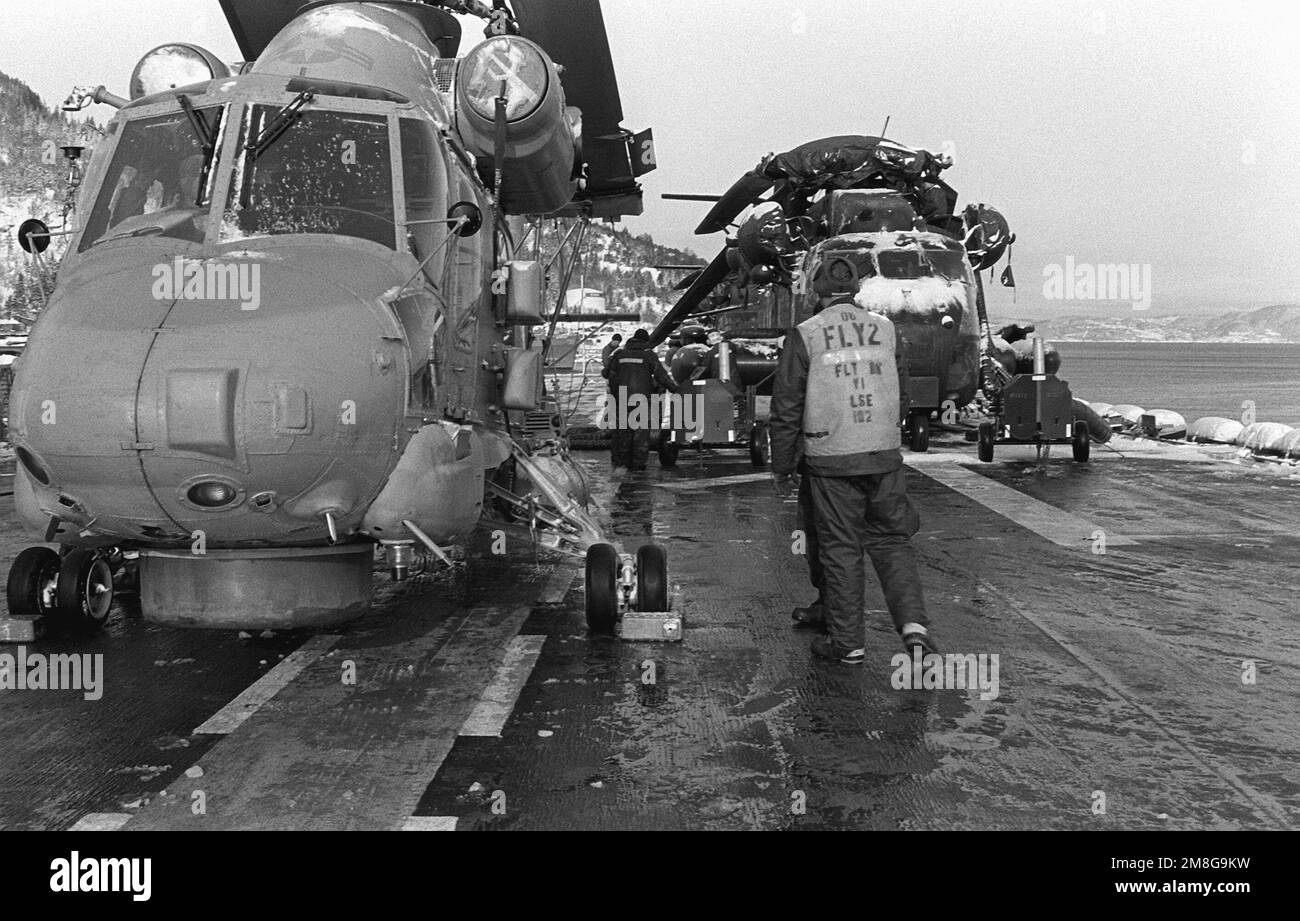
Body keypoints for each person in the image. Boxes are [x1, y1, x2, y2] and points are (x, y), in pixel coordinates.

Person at [770, 292, 937, 665]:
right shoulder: (886, 328)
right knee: (893, 541)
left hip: (832, 462)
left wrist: (782, 464)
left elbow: (786, 406)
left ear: (819, 297)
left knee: (840, 549)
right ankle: (915, 629)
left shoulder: (807, 333)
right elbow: (903, 394)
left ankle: (847, 644)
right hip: (883, 458)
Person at [602, 328, 677, 470]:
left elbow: (607, 374)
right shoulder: (649, 355)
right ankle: (638, 465)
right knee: (641, 433)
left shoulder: (620, 354)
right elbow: (661, 376)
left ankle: (623, 463)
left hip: (622, 399)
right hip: (642, 399)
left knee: (623, 431)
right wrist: (675, 389)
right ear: (646, 341)